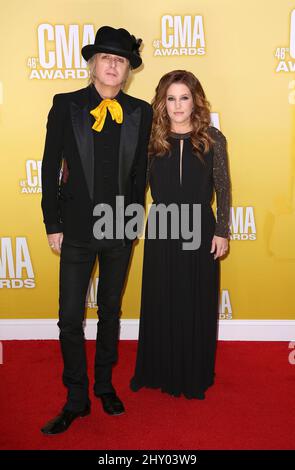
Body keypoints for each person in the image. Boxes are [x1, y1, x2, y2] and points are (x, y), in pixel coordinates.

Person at [40, 26, 152, 434]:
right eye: (105, 57)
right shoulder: (65, 104)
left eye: (119, 60)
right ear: (92, 65)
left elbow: (140, 173)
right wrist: (52, 223)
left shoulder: (140, 111)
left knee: (110, 311)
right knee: (70, 317)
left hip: (120, 228)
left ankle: (104, 385)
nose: (111, 65)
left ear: (126, 72)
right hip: (75, 228)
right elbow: (50, 164)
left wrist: (135, 222)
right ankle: (75, 398)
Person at [130, 70, 231, 400]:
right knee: (162, 298)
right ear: (162, 102)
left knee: (196, 299)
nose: (177, 105)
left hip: (201, 228)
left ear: (195, 101)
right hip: (162, 227)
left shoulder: (213, 139)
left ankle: (193, 371)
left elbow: (223, 187)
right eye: (171, 98)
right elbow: (138, 189)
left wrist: (222, 231)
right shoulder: (151, 140)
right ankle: (157, 368)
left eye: (184, 97)